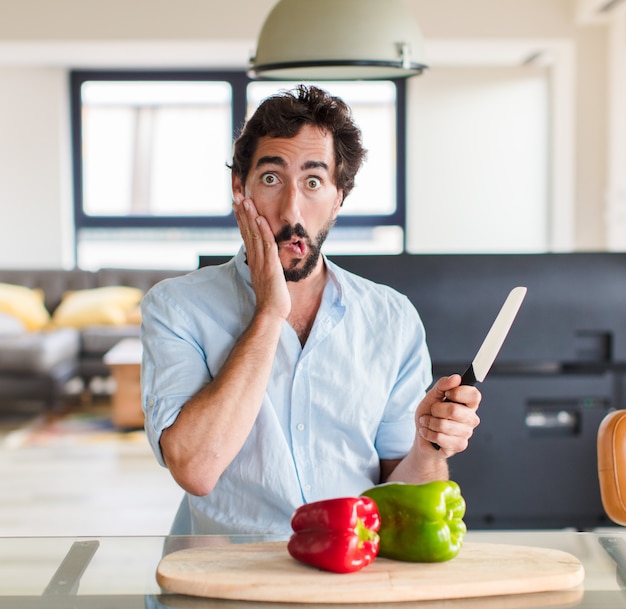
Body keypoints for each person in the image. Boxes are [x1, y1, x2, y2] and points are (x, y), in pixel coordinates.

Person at [140, 84, 481, 536]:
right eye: (271, 178)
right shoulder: (176, 307)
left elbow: (400, 492)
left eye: (314, 182)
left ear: (339, 197)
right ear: (239, 189)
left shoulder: (391, 319)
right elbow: (196, 470)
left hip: (350, 573)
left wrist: (430, 447)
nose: (291, 210)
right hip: (225, 582)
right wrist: (269, 313)